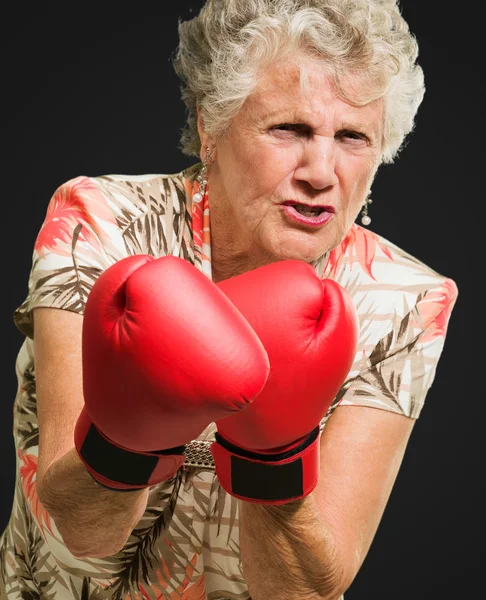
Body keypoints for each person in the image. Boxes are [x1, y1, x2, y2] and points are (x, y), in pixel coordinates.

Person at [0, 0, 458, 599]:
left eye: (352, 137)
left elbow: (298, 592)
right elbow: (85, 531)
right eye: (288, 129)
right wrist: (128, 434)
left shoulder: (404, 300)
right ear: (211, 126)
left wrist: (275, 456)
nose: (320, 171)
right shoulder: (102, 223)